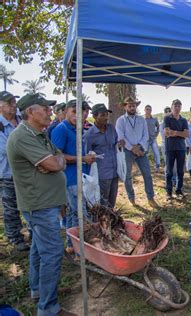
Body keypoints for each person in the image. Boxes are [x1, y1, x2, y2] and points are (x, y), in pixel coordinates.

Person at [7, 93, 76, 316]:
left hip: (48, 202)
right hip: (39, 205)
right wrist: (54, 162)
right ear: (30, 112)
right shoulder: (22, 137)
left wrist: (55, 161)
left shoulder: (39, 134)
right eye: (45, 108)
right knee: (52, 253)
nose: (50, 112)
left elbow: (58, 159)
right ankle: (48, 308)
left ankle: (39, 291)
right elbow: (54, 164)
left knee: (38, 250)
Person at [52, 99, 96, 250]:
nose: (81, 115)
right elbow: (58, 157)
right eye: (75, 111)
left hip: (80, 176)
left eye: (84, 112)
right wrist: (83, 158)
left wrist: (87, 157)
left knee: (72, 213)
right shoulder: (61, 129)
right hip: (70, 178)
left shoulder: (78, 129)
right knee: (81, 214)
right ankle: (82, 251)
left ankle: (71, 245)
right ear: (65, 112)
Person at [116, 97, 158, 208]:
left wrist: (139, 147)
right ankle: (131, 198)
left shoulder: (141, 119)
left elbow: (146, 135)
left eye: (133, 105)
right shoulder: (120, 120)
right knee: (127, 176)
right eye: (129, 105)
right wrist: (133, 149)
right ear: (125, 107)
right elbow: (121, 137)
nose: (132, 107)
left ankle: (150, 198)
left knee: (147, 174)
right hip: (127, 151)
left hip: (141, 150)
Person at [0, 91, 28, 251]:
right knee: (11, 208)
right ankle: (15, 238)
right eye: (9, 103)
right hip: (7, 174)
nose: (13, 106)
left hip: (25, 173)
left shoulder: (20, 121)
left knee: (28, 204)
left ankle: (30, 233)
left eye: (13, 102)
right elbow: (7, 149)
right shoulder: (1, 125)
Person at [84, 103, 119, 207]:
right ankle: (103, 222)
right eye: (102, 115)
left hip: (115, 172)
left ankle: (111, 221)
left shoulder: (111, 128)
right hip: (102, 174)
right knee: (103, 203)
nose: (106, 117)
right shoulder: (89, 135)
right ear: (95, 116)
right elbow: (87, 155)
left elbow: (116, 143)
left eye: (106, 115)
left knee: (112, 201)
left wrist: (120, 144)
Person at [163, 99, 189, 200]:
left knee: (180, 171)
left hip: (181, 148)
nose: (177, 108)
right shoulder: (167, 118)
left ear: (181, 107)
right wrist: (180, 133)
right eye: (175, 106)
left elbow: (187, 134)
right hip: (170, 148)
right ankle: (169, 192)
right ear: (172, 107)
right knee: (169, 171)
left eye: (179, 106)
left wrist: (175, 133)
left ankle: (179, 191)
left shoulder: (183, 120)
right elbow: (167, 133)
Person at [144, 104, 160, 172]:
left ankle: (157, 167)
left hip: (153, 139)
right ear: (144, 110)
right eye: (147, 109)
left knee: (156, 153)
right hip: (146, 140)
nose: (148, 110)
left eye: (149, 109)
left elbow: (158, 127)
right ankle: (146, 167)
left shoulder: (154, 119)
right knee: (145, 154)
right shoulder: (142, 120)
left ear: (151, 110)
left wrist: (156, 134)